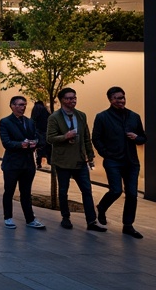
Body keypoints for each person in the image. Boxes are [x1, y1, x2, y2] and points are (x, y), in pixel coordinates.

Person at [46, 87, 104, 231]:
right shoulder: (54, 117)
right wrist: (65, 136)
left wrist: (90, 155)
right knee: (63, 191)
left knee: (86, 190)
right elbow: (50, 138)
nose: (72, 101)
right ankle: (65, 218)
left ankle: (91, 221)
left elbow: (86, 137)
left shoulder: (81, 115)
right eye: (69, 98)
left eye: (74, 98)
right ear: (62, 100)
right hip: (63, 160)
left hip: (80, 160)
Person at [92, 86, 145, 237]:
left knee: (132, 194)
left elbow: (143, 137)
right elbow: (96, 138)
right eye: (116, 98)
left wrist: (137, 138)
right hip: (113, 161)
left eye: (122, 97)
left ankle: (128, 225)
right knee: (116, 190)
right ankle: (102, 208)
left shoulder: (134, 116)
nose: (120, 101)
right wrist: (106, 154)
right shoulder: (102, 117)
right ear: (110, 99)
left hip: (131, 162)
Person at [0, 94, 46, 230]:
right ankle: (8, 217)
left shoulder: (29, 121)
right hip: (12, 163)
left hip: (28, 163)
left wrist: (35, 143)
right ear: (12, 106)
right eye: (19, 105)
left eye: (24, 105)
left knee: (26, 192)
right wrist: (21, 144)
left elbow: (38, 137)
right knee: (9, 191)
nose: (22, 108)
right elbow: (6, 142)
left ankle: (30, 218)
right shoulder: (5, 122)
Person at [30, 99, 52, 170]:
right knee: (47, 147)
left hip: (39, 131)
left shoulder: (36, 108)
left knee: (40, 148)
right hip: (45, 131)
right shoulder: (45, 109)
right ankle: (49, 161)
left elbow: (33, 119)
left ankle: (38, 163)